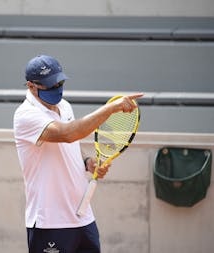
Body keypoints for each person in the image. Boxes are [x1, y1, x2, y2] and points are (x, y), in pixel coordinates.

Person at [13, 54, 143, 253]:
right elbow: (68, 134)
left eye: (59, 82)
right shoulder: (25, 115)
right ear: (31, 86)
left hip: (83, 217)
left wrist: (86, 161)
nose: (57, 89)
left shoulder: (65, 106)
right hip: (50, 222)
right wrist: (110, 109)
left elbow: (70, 144)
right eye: (50, 85)